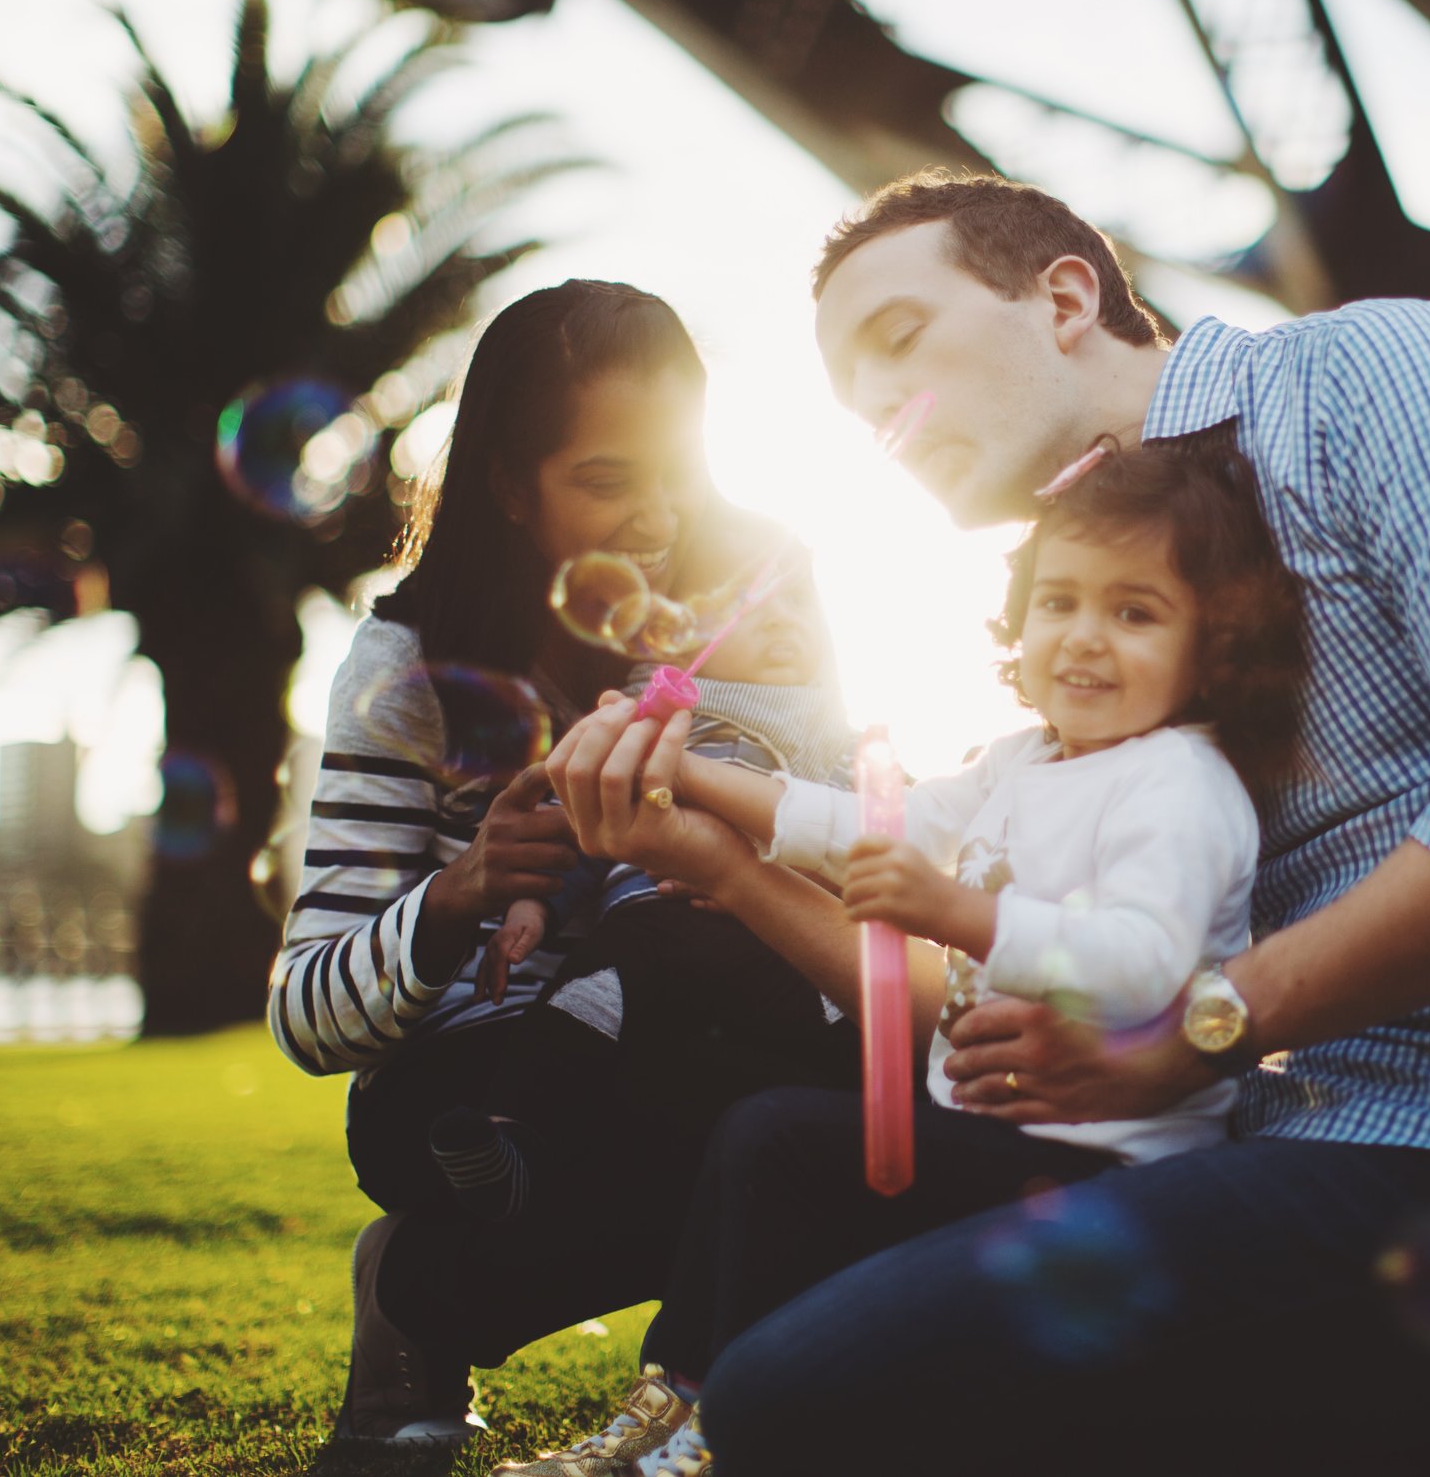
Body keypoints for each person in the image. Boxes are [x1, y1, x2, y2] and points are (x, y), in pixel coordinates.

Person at [546, 174, 1430, 1476]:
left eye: (897, 341)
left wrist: (1200, 1024)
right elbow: (993, 947)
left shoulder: (1376, 373)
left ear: (1065, 296)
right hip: (1295, 1142)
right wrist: (710, 849)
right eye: (851, 402)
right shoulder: (1132, 611)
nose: (881, 417)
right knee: (812, 1217)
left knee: (795, 1404)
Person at [510, 440, 1310, 1476]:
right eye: (1056, 602)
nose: (1082, 638)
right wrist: (695, 776)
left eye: (1135, 611)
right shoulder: (1023, 762)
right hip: (988, 1137)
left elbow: (1146, 964)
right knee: (771, 1136)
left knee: (780, 1138)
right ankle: (675, 1397)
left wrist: (957, 910)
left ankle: (716, 1419)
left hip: (1109, 1172)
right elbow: (864, 826)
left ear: (1216, 645)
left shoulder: (1179, 782)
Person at [264, 279, 854, 1454]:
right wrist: (463, 893)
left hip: (706, 1014)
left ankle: (692, 1397)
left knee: (816, 1117)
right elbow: (308, 1012)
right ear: (507, 485)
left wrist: (747, 869)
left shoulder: (758, 594)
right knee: (733, 1143)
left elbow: (841, 810)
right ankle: (422, 1291)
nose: (656, 519)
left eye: (674, 471)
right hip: (476, 1095)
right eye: (604, 479)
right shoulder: (408, 667)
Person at [429, 536, 859, 1226]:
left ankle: (878, 1135)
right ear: (686, 633)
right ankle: (513, 1144)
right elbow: (585, 826)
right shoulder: (655, 723)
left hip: (778, 933)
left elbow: (862, 838)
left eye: (800, 601)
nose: (785, 619)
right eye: (755, 604)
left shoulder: (840, 743)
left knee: (849, 1015)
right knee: (578, 1007)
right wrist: (536, 904)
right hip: (648, 929)